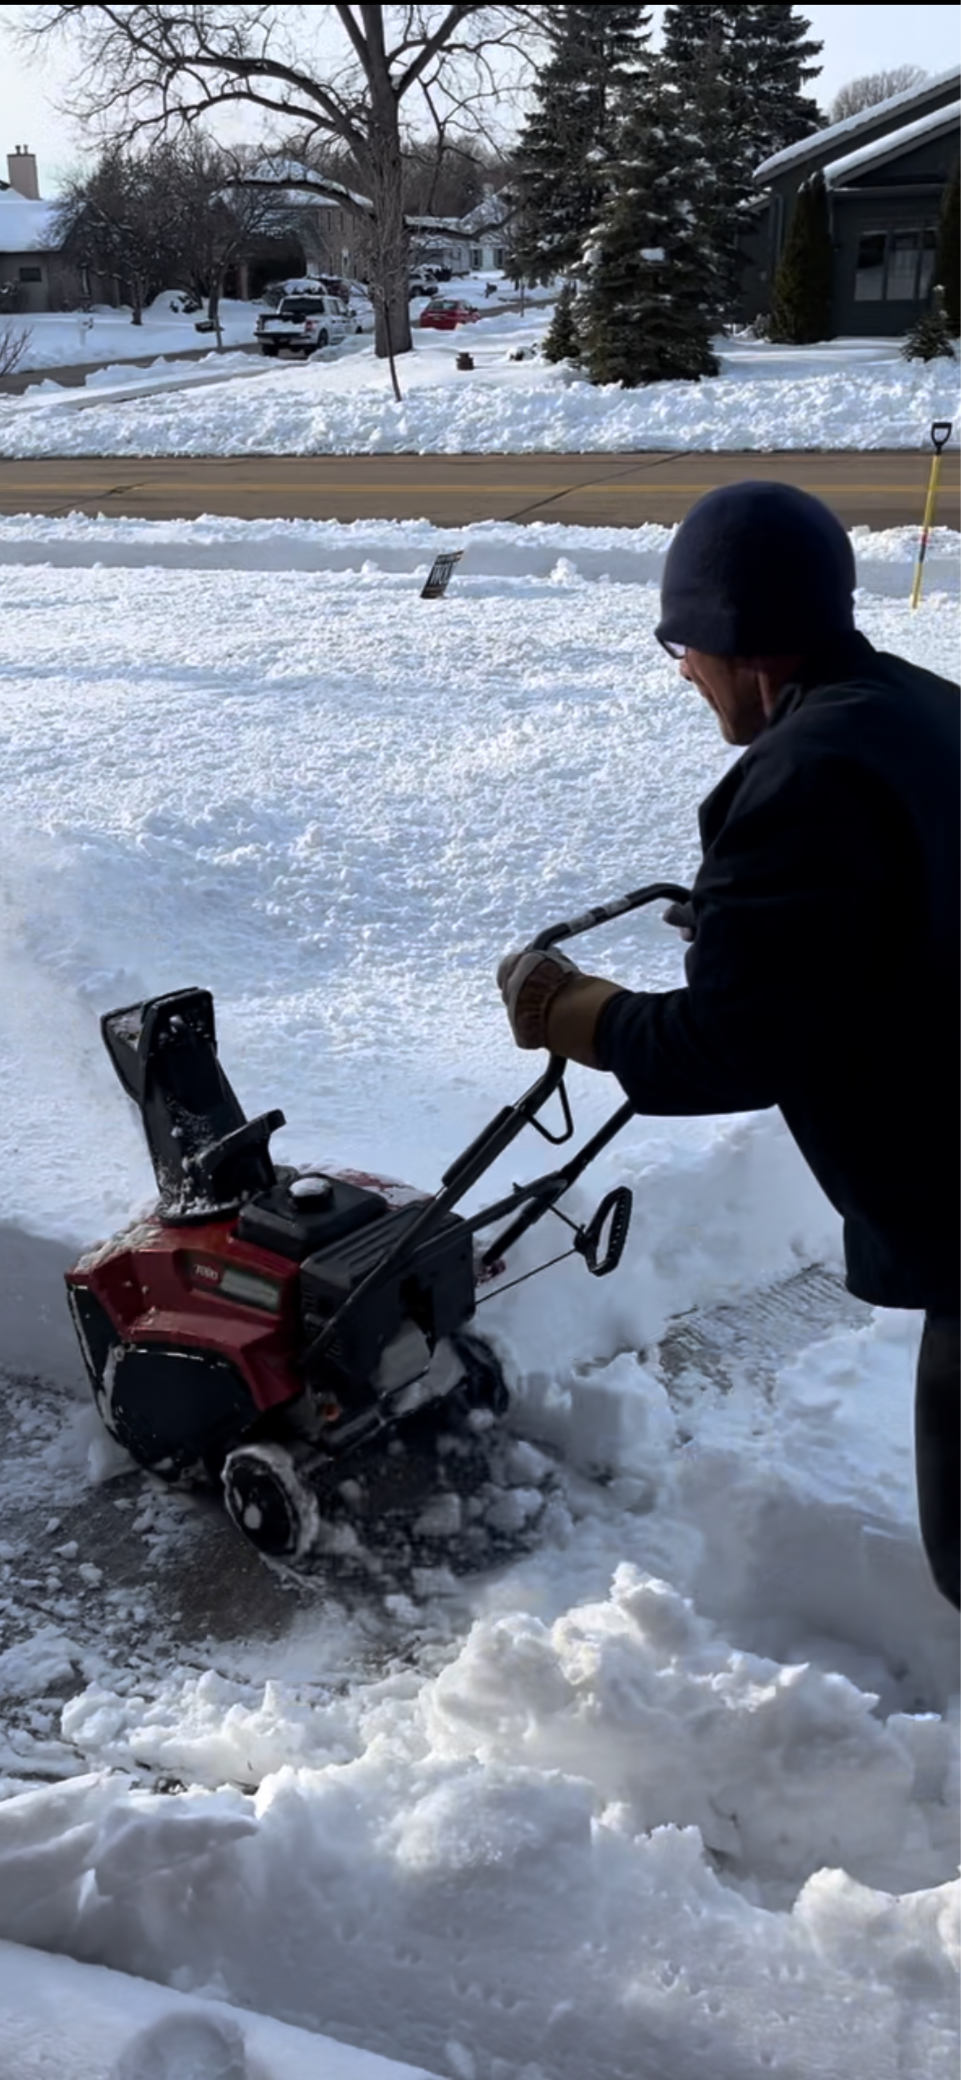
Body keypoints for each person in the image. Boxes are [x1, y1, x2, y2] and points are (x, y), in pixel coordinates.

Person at [497, 480, 961, 1619]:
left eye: (680, 646)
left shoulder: (801, 777)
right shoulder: (926, 710)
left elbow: (739, 1045)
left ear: (732, 642)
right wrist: (766, 931)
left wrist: (580, 1013)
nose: (681, 672)